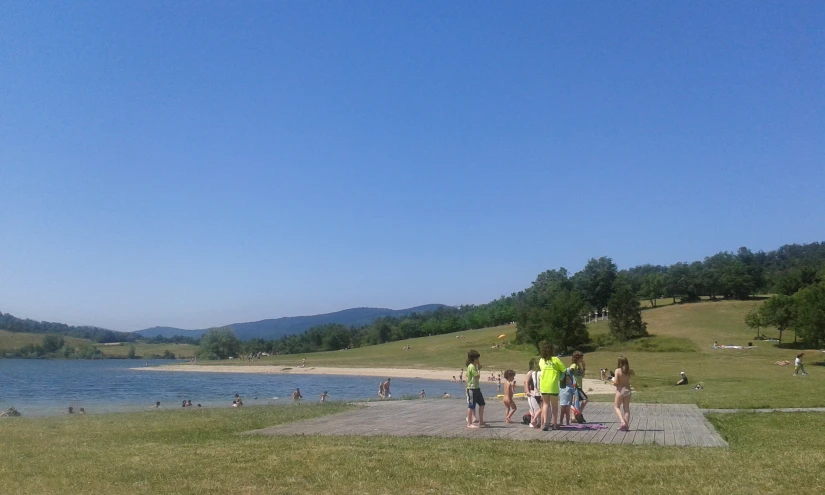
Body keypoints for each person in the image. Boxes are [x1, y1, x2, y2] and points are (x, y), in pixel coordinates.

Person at [539, 341, 567, 431]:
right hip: (553, 385)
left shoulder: (541, 360)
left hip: (543, 385)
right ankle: (555, 423)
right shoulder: (556, 359)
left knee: (545, 404)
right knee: (554, 406)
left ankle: (545, 423)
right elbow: (564, 370)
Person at [465, 349, 486, 428]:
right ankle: (469, 423)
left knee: (482, 404)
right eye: (478, 359)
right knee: (471, 406)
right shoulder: (472, 367)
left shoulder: (473, 366)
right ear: (474, 359)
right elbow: (477, 377)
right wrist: (479, 369)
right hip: (472, 389)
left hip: (476, 388)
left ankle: (481, 421)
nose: (478, 360)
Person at [613, 356, 633, 431]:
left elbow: (616, 382)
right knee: (626, 408)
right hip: (628, 390)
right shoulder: (629, 370)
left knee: (616, 406)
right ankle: (626, 425)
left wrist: (612, 381)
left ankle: (622, 421)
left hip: (620, 391)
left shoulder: (618, 370)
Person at [568, 351, 588, 422]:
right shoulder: (574, 365)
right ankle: (578, 414)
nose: (582, 359)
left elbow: (582, 375)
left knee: (575, 402)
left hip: (579, 386)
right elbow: (569, 371)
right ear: (577, 358)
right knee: (585, 400)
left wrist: (584, 368)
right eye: (581, 358)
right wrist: (571, 381)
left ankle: (573, 417)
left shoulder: (579, 366)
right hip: (576, 386)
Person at [524, 364, 542, 428]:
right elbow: (526, 382)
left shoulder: (537, 372)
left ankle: (536, 422)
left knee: (534, 408)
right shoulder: (531, 372)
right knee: (536, 408)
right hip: (532, 392)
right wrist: (527, 391)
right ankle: (535, 421)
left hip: (536, 392)